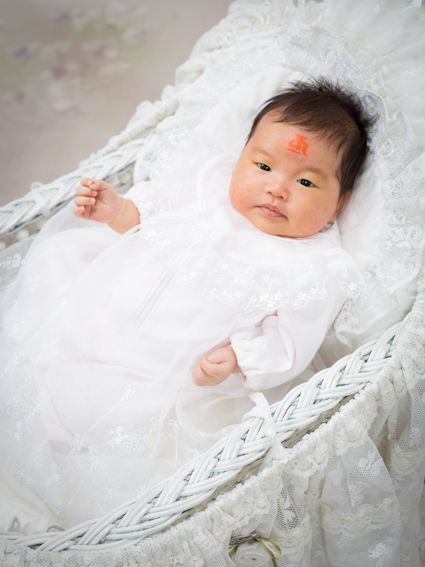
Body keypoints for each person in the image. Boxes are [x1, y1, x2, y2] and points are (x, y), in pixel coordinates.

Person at [0, 79, 371, 525]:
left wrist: (236, 357)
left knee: (99, 410)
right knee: (57, 262)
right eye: (263, 166)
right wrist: (117, 211)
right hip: (106, 302)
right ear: (241, 158)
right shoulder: (206, 186)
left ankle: (57, 424)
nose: (277, 188)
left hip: (160, 367)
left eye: (306, 181)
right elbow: (149, 218)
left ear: (339, 204)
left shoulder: (311, 267)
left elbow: (289, 342)